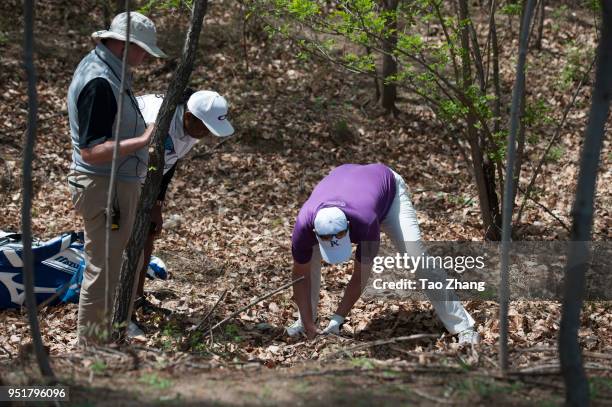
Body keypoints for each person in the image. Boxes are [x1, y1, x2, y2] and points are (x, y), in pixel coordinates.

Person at [288, 163, 480, 344]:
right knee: (307, 260)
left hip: (389, 191)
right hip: (348, 181)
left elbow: (360, 275)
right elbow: (300, 275)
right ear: (315, 233)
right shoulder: (304, 226)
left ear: (348, 227)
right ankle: (306, 322)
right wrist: (308, 324)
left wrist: (337, 319)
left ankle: (463, 327)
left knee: (415, 256)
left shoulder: (366, 221)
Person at [66, 12, 166, 343]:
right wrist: (142, 141)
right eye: (143, 50)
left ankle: (106, 338)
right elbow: (91, 151)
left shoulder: (109, 71)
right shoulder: (100, 81)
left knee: (116, 265)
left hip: (112, 184)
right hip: (103, 186)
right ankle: (91, 349)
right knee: (103, 271)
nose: (146, 58)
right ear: (124, 45)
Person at [132, 89, 234, 317]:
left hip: (145, 179)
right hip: (119, 174)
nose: (207, 133)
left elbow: (169, 162)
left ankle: (137, 298)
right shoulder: (156, 119)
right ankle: (118, 305)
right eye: (205, 126)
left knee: (148, 231)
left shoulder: (192, 129)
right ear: (188, 116)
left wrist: (157, 203)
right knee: (125, 238)